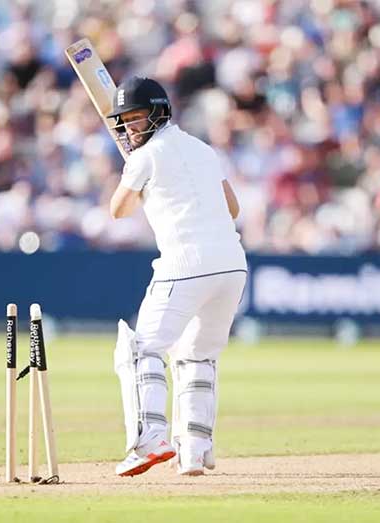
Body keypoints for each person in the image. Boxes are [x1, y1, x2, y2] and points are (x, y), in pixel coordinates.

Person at [108, 77, 247, 476]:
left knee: (140, 349)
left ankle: (150, 439)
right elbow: (232, 208)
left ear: (159, 113)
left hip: (185, 264)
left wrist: (136, 178)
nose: (131, 127)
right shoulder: (203, 149)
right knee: (197, 354)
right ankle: (196, 449)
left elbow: (118, 211)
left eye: (137, 119)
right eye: (125, 121)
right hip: (232, 265)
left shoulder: (144, 158)